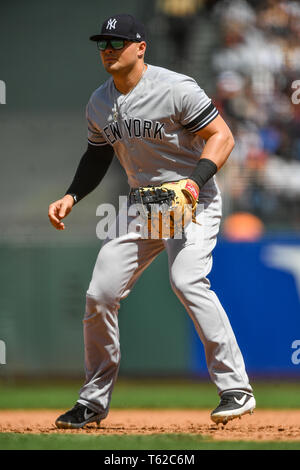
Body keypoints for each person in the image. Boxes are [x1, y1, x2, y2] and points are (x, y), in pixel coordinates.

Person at [48, 13, 255, 429]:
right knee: (100, 292)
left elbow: (223, 136)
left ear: (140, 47)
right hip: (145, 207)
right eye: (102, 44)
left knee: (187, 280)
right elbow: (98, 154)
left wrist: (195, 185)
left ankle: (236, 388)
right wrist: (72, 195)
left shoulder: (175, 88)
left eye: (116, 42)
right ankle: (91, 402)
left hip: (192, 200)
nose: (107, 50)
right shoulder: (99, 102)